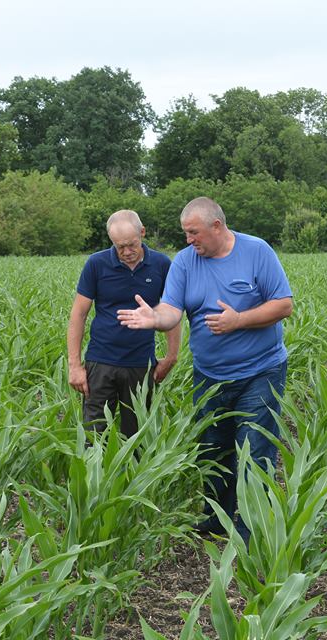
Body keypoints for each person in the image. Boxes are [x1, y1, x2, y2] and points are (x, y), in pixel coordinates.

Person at [118, 197, 293, 540]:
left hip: (259, 372)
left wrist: (239, 320)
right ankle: (216, 519)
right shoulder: (186, 262)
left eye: (193, 232)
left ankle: (251, 529)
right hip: (209, 376)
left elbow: (283, 305)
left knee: (254, 450)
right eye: (186, 233)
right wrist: (155, 318)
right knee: (213, 450)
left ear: (217, 226)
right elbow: (172, 310)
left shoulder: (257, 251)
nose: (188, 240)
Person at [67, 209, 180, 438]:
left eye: (132, 245)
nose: (127, 252)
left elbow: (173, 311)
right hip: (100, 362)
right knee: (94, 435)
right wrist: (75, 366)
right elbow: (78, 315)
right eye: (120, 247)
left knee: (137, 436)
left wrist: (171, 357)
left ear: (142, 232)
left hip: (140, 364)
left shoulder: (161, 264)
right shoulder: (96, 264)